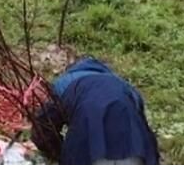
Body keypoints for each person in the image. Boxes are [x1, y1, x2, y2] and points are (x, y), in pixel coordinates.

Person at [29, 57, 160, 165]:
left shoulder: (64, 83)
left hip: (88, 140)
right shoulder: (122, 84)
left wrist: (57, 152)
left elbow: (43, 125)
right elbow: (142, 124)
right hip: (132, 145)